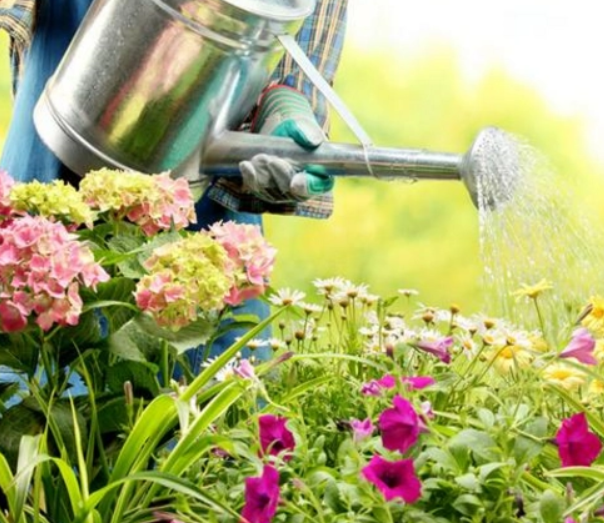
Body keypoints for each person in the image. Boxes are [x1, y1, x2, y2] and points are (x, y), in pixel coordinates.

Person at [0, 0, 348, 384]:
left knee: (183, 407)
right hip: (41, 205)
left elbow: (295, 36)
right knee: (31, 395)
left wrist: (283, 105)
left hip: (193, 239)